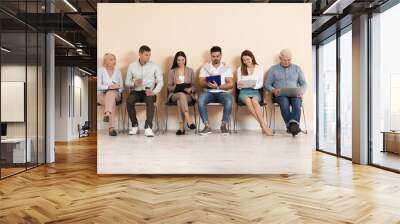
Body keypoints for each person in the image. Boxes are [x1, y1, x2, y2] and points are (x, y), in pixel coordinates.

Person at [264, 48, 307, 136]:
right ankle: (293, 126)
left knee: (297, 103)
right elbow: (267, 84)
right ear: (280, 58)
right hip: (280, 94)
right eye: (285, 60)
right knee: (284, 103)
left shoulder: (297, 68)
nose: (287, 62)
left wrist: (301, 91)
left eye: (289, 60)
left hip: (294, 93)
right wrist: (273, 90)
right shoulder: (273, 69)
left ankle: (291, 126)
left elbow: (304, 83)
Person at [125, 45, 163, 137]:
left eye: (149, 55)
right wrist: (134, 83)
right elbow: (127, 82)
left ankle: (148, 127)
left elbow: (161, 81)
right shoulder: (132, 66)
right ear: (140, 54)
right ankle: (134, 125)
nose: (148, 57)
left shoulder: (154, 66)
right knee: (129, 100)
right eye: (146, 55)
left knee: (150, 99)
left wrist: (154, 92)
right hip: (136, 91)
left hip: (149, 91)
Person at [198, 46, 233, 135]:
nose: (215, 58)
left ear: (221, 55)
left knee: (229, 100)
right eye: (213, 56)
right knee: (201, 99)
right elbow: (200, 83)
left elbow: (230, 84)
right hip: (208, 92)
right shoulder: (205, 67)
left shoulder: (227, 67)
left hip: (222, 92)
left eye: (217, 56)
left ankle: (223, 126)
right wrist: (207, 83)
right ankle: (207, 126)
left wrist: (218, 87)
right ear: (211, 56)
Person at [237, 50, 273, 136]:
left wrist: (253, 85)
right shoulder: (240, 69)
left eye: (247, 59)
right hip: (243, 92)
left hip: (255, 91)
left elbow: (260, 83)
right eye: (244, 60)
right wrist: (242, 85)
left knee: (254, 101)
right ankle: (264, 126)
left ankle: (263, 126)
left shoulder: (259, 68)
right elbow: (238, 84)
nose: (246, 62)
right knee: (248, 101)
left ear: (252, 58)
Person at [167, 51, 197, 135]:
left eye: (182, 60)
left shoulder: (190, 71)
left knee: (181, 98)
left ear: (185, 60)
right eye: (178, 60)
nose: (180, 62)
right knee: (180, 95)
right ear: (176, 61)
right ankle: (189, 120)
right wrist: (176, 85)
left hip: (187, 95)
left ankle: (181, 127)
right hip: (174, 94)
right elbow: (169, 87)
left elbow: (194, 86)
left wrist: (190, 89)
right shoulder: (172, 71)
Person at [97, 53, 124, 136]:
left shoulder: (118, 72)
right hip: (101, 95)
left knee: (111, 92)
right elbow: (98, 86)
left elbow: (121, 88)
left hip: (116, 95)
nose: (114, 61)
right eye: (111, 59)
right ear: (105, 61)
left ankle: (107, 114)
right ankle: (111, 128)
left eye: (114, 59)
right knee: (111, 100)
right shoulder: (100, 70)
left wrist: (116, 87)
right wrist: (109, 86)